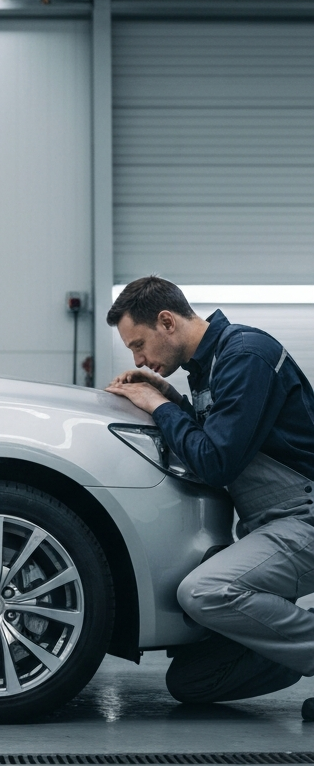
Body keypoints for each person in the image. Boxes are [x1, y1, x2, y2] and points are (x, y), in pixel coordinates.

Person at [105, 276, 314, 718]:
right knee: (192, 683)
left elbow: (217, 460)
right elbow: (226, 433)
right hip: (269, 524)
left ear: (167, 322)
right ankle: (286, 653)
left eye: (138, 345)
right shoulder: (210, 366)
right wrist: (171, 399)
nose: (139, 359)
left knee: (205, 591)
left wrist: (158, 407)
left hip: (305, 516)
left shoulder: (246, 356)